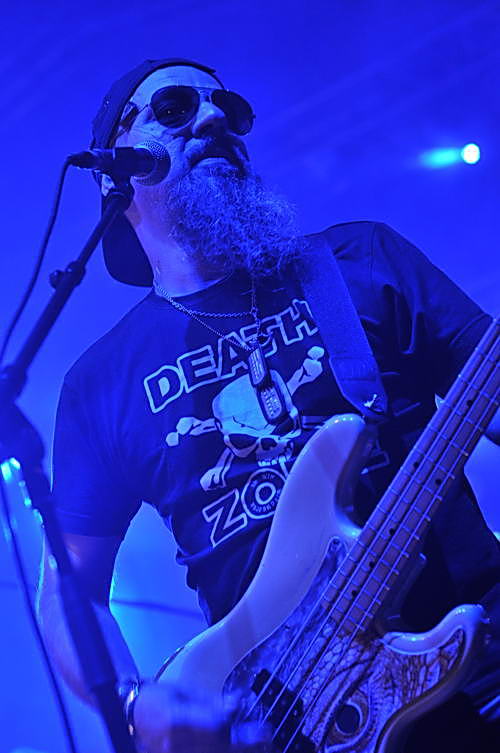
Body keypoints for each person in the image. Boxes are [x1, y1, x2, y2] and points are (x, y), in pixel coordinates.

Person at [37, 58, 500, 753]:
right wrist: (135, 703)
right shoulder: (100, 382)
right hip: (284, 723)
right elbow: (70, 589)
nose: (214, 117)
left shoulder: (360, 260)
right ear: (115, 172)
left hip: (479, 673)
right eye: (174, 107)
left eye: (227, 107)